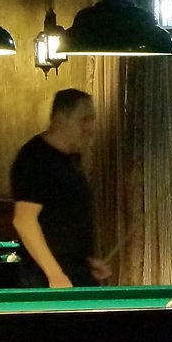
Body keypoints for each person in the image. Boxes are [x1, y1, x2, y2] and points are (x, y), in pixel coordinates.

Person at [10, 89, 110, 288]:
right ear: (60, 119)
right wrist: (55, 274)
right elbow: (24, 221)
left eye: (92, 120)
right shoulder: (35, 158)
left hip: (73, 273)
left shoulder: (70, 160)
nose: (91, 128)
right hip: (46, 280)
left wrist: (84, 262)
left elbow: (59, 221)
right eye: (84, 119)